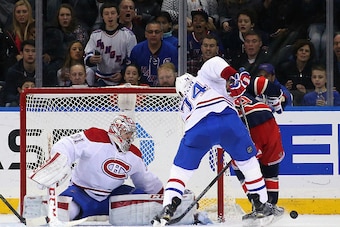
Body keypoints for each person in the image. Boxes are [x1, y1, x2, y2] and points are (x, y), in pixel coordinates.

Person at [152, 56, 274, 226]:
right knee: (248, 163)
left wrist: (235, 85)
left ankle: (168, 208)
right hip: (226, 120)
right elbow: (216, 62)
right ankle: (260, 204)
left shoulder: (182, 107)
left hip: (196, 130)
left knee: (179, 172)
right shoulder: (203, 76)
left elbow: (208, 133)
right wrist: (234, 77)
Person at [29, 114, 164, 221]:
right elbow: (68, 144)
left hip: (112, 196)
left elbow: (146, 180)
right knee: (65, 213)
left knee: (145, 201)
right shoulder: (95, 137)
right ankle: (52, 214)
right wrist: (60, 161)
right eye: (127, 133)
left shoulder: (134, 154)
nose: (130, 137)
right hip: (81, 193)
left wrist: (165, 196)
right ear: (116, 130)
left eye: (131, 133)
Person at [231, 91, 285, 219]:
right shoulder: (242, 85)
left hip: (249, 125)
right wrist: (281, 101)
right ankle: (271, 205)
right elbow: (267, 85)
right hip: (268, 118)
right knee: (270, 163)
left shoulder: (215, 94)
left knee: (241, 166)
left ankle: (259, 206)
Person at [84, 2, 137, 86]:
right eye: (106, 14)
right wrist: (91, 59)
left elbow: (132, 59)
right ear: (102, 16)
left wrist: (123, 73)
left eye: (113, 13)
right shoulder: (95, 35)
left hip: (121, 80)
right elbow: (87, 54)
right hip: (101, 78)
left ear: (118, 15)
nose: (110, 16)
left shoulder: (128, 35)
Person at [43, 3, 90, 87]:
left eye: (67, 15)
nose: (65, 18)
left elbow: (80, 51)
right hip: (58, 63)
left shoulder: (79, 30)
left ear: (72, 17)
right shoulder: (52, 32)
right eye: (62, 15)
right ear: (58, 17)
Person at [130, 20, 178, 86]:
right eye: (150, 32)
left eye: (157, 32)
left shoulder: (172, 51)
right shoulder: (136, 50)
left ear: (162, 34)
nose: (153, 35)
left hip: (165, 91)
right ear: (145, 34)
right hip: (142, 91)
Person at [4, 40, 49, 106]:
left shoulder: (47, 70)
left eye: (33, 51)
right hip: (18, 105)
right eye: (27, 51)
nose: (30, 54)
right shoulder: (13, 71)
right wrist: (24, 96)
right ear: (21, 53)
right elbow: (8, 95)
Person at [0, 0, 34, 81]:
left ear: (29, 13)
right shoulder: (9, 32)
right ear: (14, 14)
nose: (21, 15)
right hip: (15, 65)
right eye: (18, 12)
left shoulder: (38, 29)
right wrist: (15, 57)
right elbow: (4, 55)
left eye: (24, 11)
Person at [276, 39, 316, 106]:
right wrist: (285, 87)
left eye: (307, 51)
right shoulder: (284, 68)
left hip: (309, 102)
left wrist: (307, 91)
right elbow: (278, 85)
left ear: (310, 55)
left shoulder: (314, 69)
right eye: (301, 50)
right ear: (296, 53)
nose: (303, 53)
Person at [187, 9, 224, 76]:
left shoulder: (214, 37)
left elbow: (221, 54)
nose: (198, 23)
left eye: (201, 20)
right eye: (195, 20)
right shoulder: (187, 38)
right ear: (192, 23)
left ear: (206, 24)